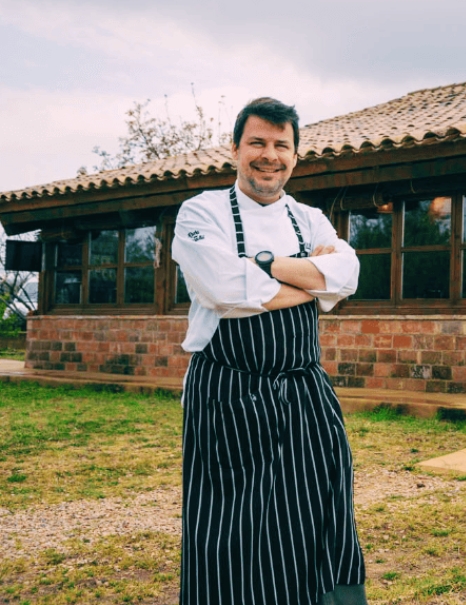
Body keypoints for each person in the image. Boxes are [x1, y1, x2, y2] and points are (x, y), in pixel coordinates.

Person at [172, 97, 367, 605]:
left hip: (304, 387)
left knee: (318, 503)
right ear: (235, 148)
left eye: (281, 145)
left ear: (295, 156)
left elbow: (347, 276)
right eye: (257, 142)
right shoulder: (201, 211)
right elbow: (221, 288)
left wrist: (261, 265)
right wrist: (312, 278)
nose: (269, 155)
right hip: (228, 388)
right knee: (230, 517)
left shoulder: (310, 218)